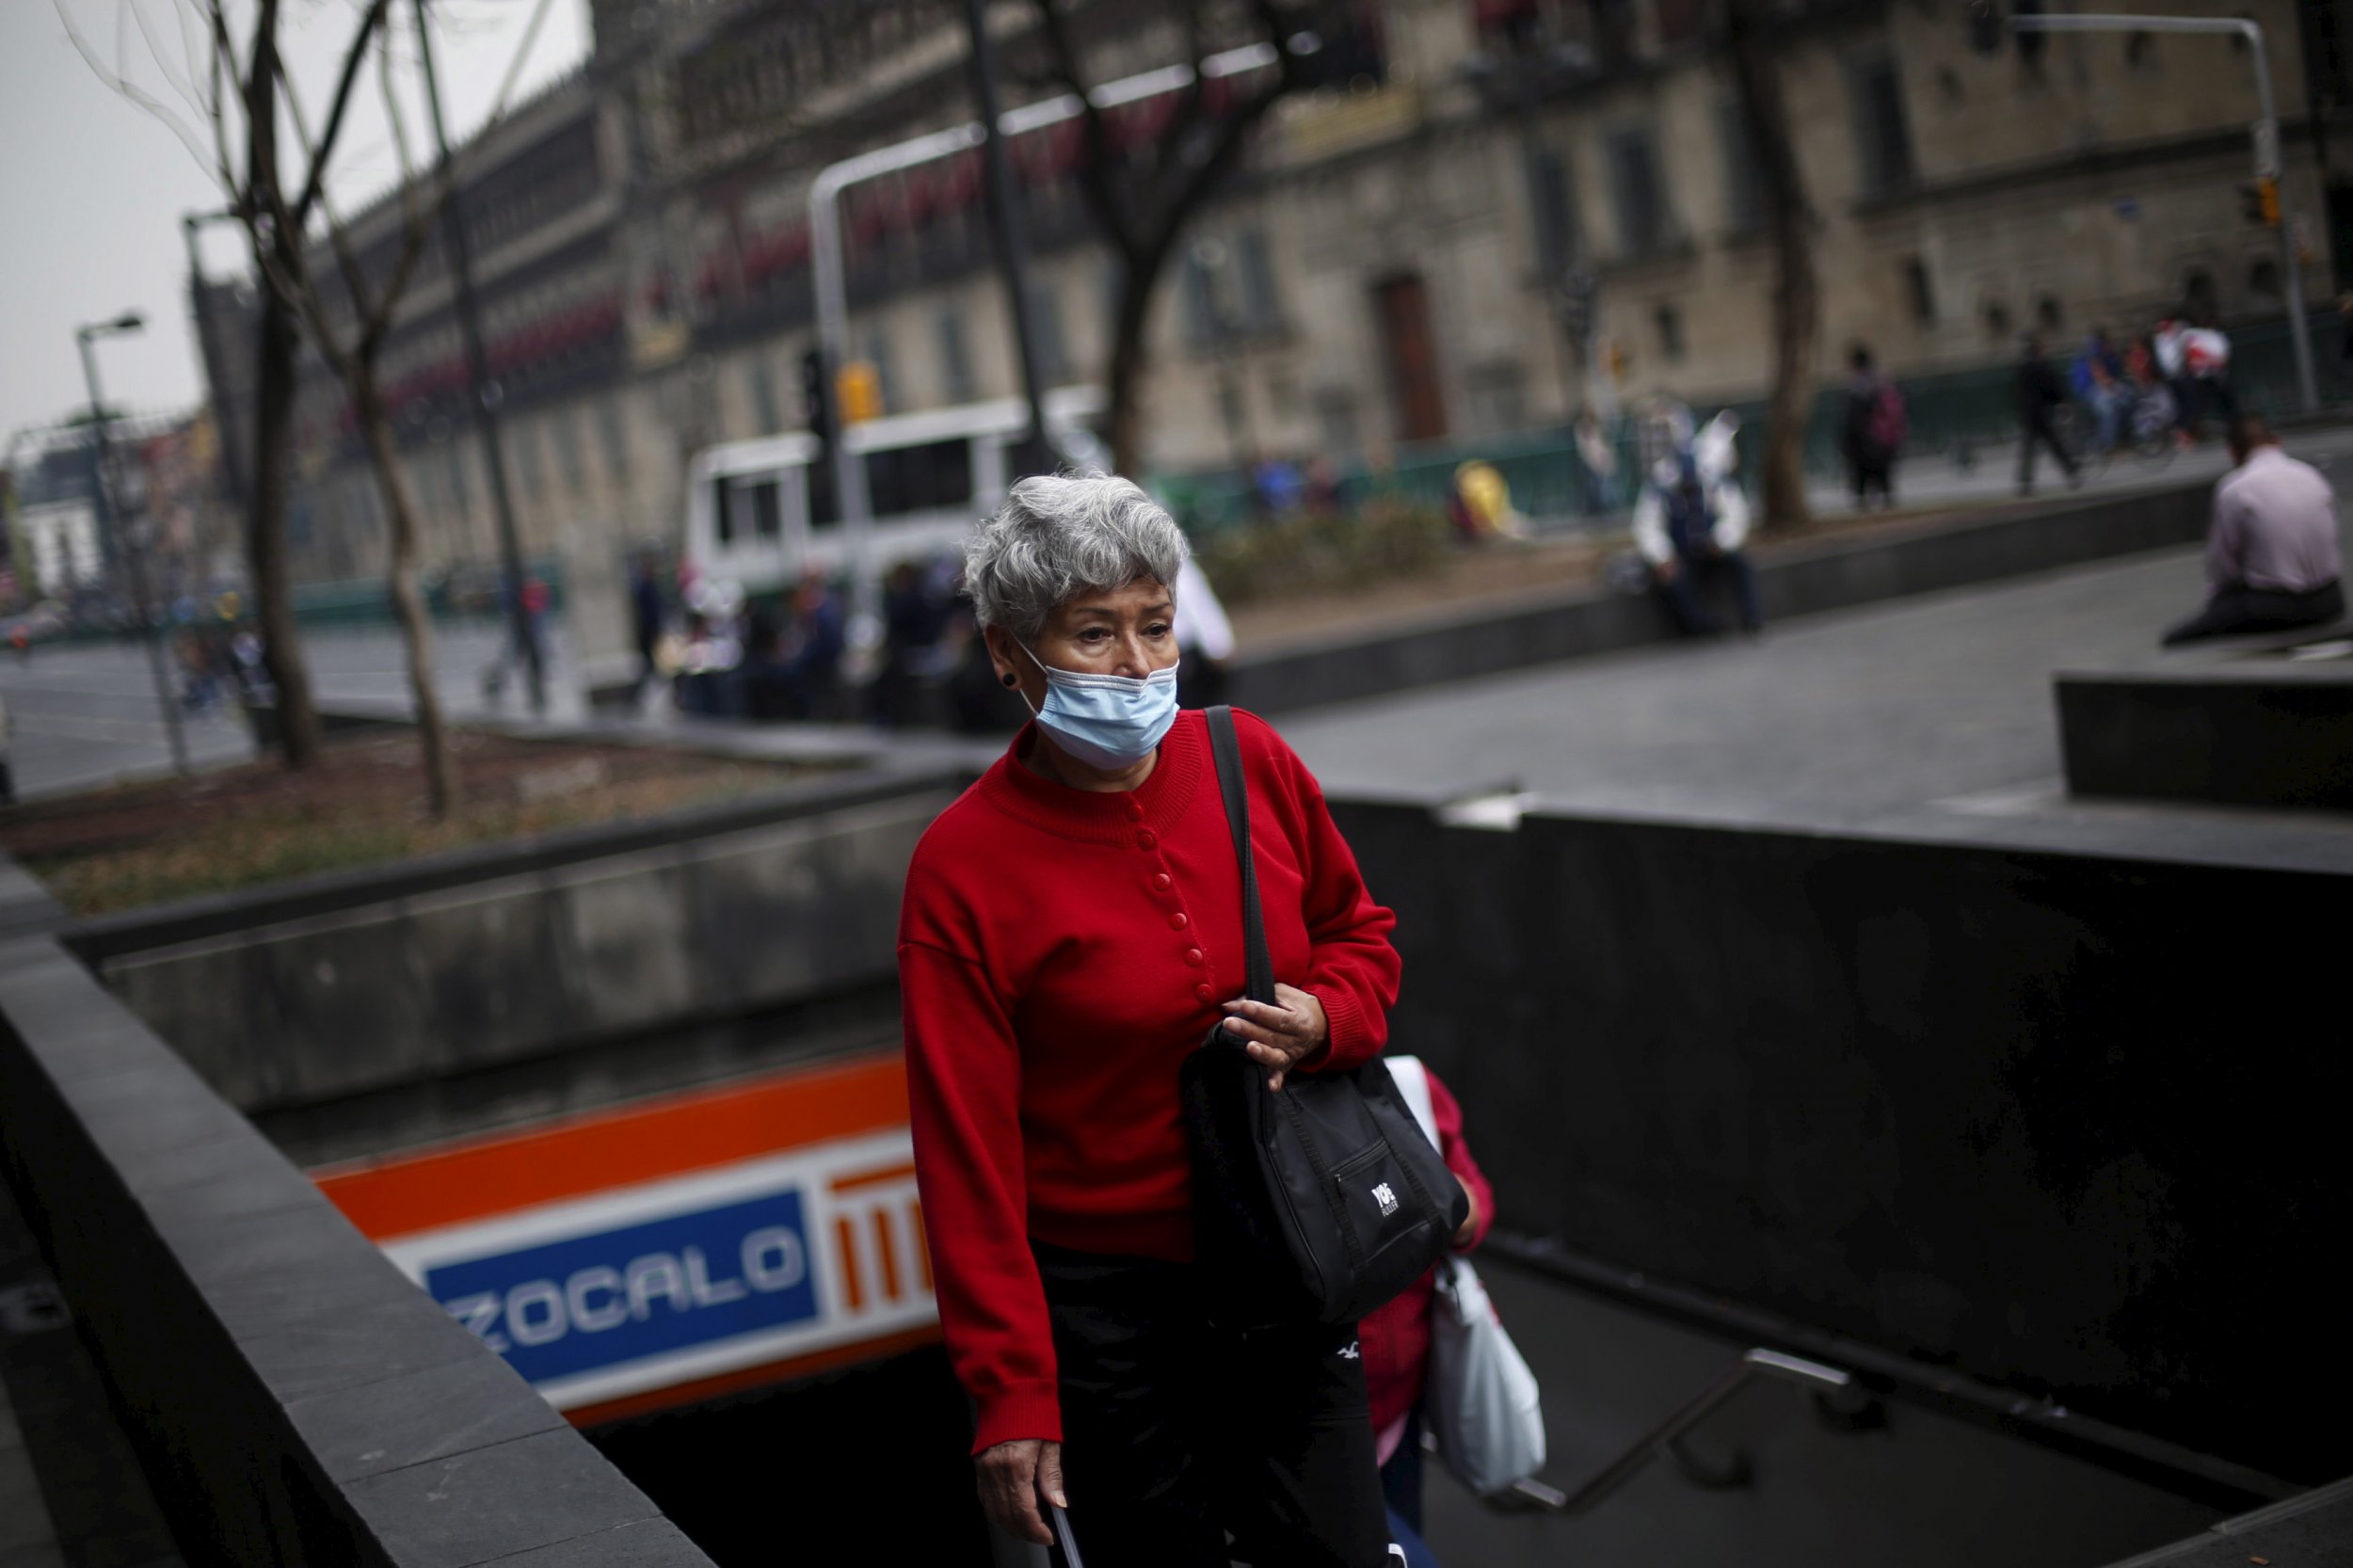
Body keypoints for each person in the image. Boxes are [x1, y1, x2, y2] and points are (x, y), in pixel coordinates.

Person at [901, 473, 1404, 1568]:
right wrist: (1011, 1391)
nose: (1137, 664)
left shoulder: (1249, 759)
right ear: (1007, 651)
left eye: (1154, 625)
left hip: (1285, 1258)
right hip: (1109, 1320)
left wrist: (1331, 1019)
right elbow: (965, 1153)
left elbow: (1361, 932)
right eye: (1094, 634)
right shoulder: (960, 868)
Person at [1362, 1064, 1494, 1544]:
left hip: (1400, 1414)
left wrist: (1451, 1206)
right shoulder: (1251, 1096)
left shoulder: (1408, 1086)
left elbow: (1476, 1201)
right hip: (1302, 1429)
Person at [2161, 416, 2345, 645]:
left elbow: (2222, 564)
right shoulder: (2311, 474)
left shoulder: (2236, 488)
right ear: (2277, 441)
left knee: (2178, 635)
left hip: (2276, 606)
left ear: (2234, 453)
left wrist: (2219, 602)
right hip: (2331, 599)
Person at [1632, 447, 1762, 635]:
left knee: (1740, 563)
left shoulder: (1714, 480)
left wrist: (1720, 540)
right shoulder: (1660, 486)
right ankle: (1703, 625)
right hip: (1680, 558)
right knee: (1672, 584)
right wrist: (1663, 557)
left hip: (1711, 552)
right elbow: (1646, 527)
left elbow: (1735, 515)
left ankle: (1752, 617)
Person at [2015, 332, 2080, 497]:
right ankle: (2070, 472)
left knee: (2030, 449)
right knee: (2054, 445)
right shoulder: (2042, 368)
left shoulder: (2022, 369)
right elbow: (2052, 389)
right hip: (2041, 413)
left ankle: (2025, 481)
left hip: (2029, 414)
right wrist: (2061, 402)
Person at [1841, 345, 1902, 510]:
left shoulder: (1858, 384)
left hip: (1865, 436)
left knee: (1862, 472)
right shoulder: (1882, 380)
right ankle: (1888, 502)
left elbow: (1853, 415)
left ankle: (1864, 504)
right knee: (1883, 471)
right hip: (1884, 436)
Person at [1173, 552, 1236, 710]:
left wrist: (1217, 642)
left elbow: (1195, 596)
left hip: (1192, 649)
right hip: (1176, 650)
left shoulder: (1172, 549)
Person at [2073, 329, 2129, 454]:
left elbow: (2116, 373)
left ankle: (2122, 436)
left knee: (2125, 399)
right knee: (2109, 410)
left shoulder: (2108, 354)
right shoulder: (2093, 352)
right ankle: (2107, 444)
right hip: (2088, 390)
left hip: (2099, 388)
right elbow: (2098, 372)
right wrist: (2109, 385)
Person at [629, 555, 665, 706]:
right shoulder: (644, 586)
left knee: (652, 666)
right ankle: (634, 697)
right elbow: (647, 613)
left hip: (650, 631)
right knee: (650, 666)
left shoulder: (647, 585)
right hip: (648, 633)